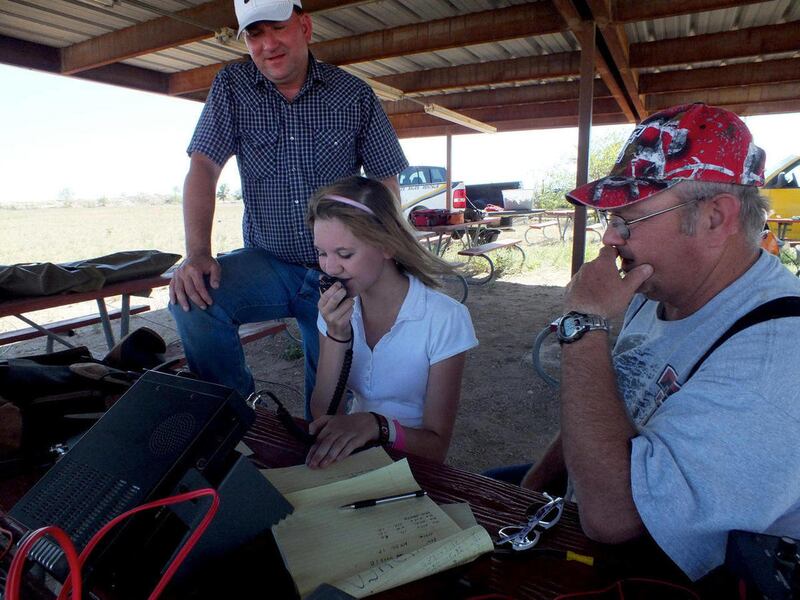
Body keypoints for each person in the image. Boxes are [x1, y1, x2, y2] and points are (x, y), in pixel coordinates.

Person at [520, 103, 800, 581]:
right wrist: (534, 485)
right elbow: (614, 400)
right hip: (586, 504)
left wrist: (584, 326)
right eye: (611, 217)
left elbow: (615, 518)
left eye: (629, 219)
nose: (610, 236)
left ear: (715, 217)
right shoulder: (661, 289)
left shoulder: (777, 354)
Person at [167, 0, 408, 416]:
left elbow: (386, 181)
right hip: (269, 262)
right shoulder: (232, 86)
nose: (268, 44)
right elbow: (203, 166)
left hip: (336, 269)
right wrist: (198, 254)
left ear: (305, 27)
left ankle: (322, 443)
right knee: (193, 296)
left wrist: (384, 259)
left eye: (277, 28)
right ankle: (235, 421)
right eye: (254, 34)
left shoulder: (354, 95)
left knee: (331, 392)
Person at [303, 176, 478, 469]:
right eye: (322, 253)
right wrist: (337, 335)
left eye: (345, 254)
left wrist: (377, 426)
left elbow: (436, 448)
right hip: (353, 454)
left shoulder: (444, 319)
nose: (330, 268)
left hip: (413, 463)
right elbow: (322, 413)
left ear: (387, 246)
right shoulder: (337, 311)